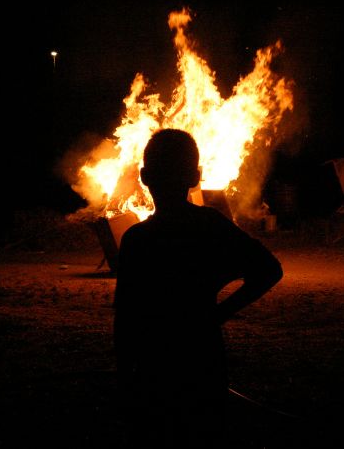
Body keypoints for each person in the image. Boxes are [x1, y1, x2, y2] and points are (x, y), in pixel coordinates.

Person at [113, 128, 283, 448]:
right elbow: (269, 270)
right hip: (203, 362)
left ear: (145, 176)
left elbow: (125, 320)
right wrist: (218, 313)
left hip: (152, 370)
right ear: (196, 176)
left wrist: (125, 378)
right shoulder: (211, 226)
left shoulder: (137, 240)